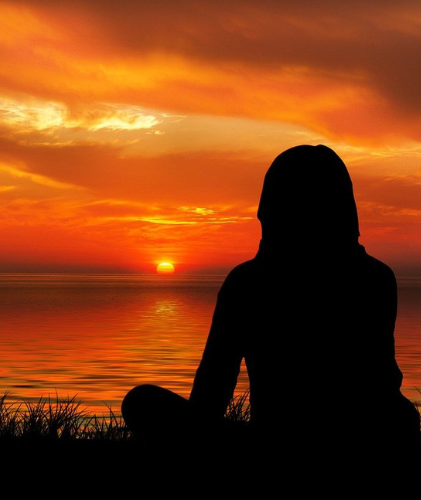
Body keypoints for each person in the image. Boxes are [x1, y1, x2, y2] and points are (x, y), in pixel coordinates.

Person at [121, 144, 421, 472]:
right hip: (377, 442)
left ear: (269, 208)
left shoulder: (247, 283)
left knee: (142, 402)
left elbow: (213, 390)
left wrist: (195, 440)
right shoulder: (377, 277)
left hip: (284, 449)